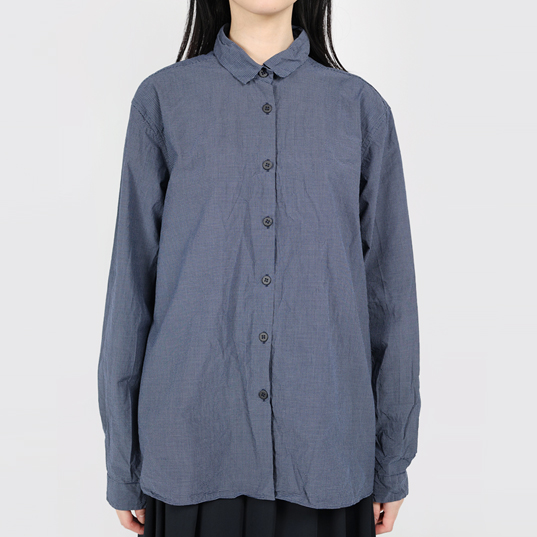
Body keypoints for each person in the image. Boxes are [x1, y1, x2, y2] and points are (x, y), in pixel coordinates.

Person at [97, 1, 421, 536]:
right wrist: (123, 464)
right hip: (191, 452)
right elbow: (130, 286)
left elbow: (391, 295)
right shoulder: (163, 101)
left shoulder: (360, 109)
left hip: (324, 452)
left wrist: (392, 461)